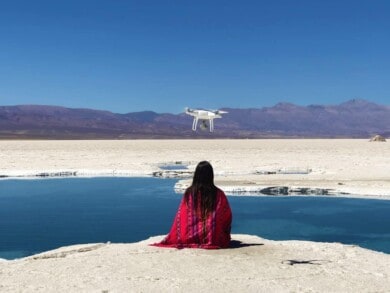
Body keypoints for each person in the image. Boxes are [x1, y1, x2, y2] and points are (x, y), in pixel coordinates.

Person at [152, 161, 232, 249]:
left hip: (188, 237)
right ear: (211, 175)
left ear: (196, 175)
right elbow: (226, 216)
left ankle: (195, 236)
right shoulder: (219, 194)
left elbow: (181, 217)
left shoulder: (189, 193)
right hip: (213, 238)